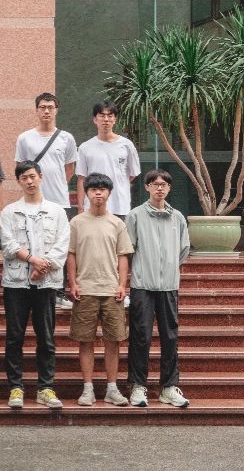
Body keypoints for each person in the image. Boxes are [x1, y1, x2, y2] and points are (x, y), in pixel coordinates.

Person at [0, 161, 70, 410]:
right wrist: (32, 260)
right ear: (19, 181)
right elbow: (8, 244)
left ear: (40, 177)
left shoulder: (56, 211)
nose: (29, 181)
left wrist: (43, 267)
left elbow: (62, 245)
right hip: (16, 283)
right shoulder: (10, 211)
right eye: (24, 178)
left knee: (46, 338)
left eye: (32, 176)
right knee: (14, 337)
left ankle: (45, 388)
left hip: (46, 283)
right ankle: (15, 387)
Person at [67, 173, 134, 407]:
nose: (98, 192)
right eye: (93, 189)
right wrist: (72, 283)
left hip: (111, 290)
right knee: (85, 340)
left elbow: (123, 255)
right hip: (85, 289)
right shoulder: (76, 222)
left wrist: (122, 284)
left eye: (102, 189)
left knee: (113, 341)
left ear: (109, 193)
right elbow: (71, 254)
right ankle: (88, 389)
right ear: (86, 193)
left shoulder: (117, 223)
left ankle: (112, 389)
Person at [126, 169, 191, 408]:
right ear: (147, 187)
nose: (159, 188)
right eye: (155, 184)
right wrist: (143, 269)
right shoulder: (135, 216)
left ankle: (169, 387)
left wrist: (170, 269)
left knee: (170, 337)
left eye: (164, 184)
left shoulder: (178, 218)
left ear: (170, 188)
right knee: (140, 336)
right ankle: (137, 386)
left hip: (169, 286)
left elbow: (183, 249)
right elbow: (129, 249)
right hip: (142, 285)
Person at [15, 93, 79, 312]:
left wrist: (56, 185)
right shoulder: (25, 138)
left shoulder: (66, 138)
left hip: (59, 201)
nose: (46, 111)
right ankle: (31, 286)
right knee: (31, 242)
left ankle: (58, 291)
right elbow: (21, 169)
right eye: (42, 107)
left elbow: (69, 170)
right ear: (36, 110)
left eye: (50, 107)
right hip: (32, 202)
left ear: (56, 110)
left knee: (59, 246)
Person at [76, 101, 141, 219]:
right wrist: (80, 208)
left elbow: (132, 174)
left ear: (115, 119)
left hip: (120, 206)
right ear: (95, 119)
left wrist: (119, 182)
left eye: (110, 116)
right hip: (92, 207)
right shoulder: (85, 147)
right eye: (102, 115)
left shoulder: (127, 145)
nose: (106, 119)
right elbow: (82, 179)